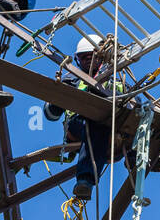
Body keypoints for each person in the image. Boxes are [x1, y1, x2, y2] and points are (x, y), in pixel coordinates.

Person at [44, 34, 124, 200]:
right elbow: (50, 114)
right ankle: (85, 180)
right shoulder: (72, 78)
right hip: (80, 124)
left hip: (114, 130)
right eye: (83, 57)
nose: (88, 60)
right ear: (77, 59)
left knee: (138, 119)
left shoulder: (117, 80)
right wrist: (58, 100)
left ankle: (143, 159)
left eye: (91, 56)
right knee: (95, 121)